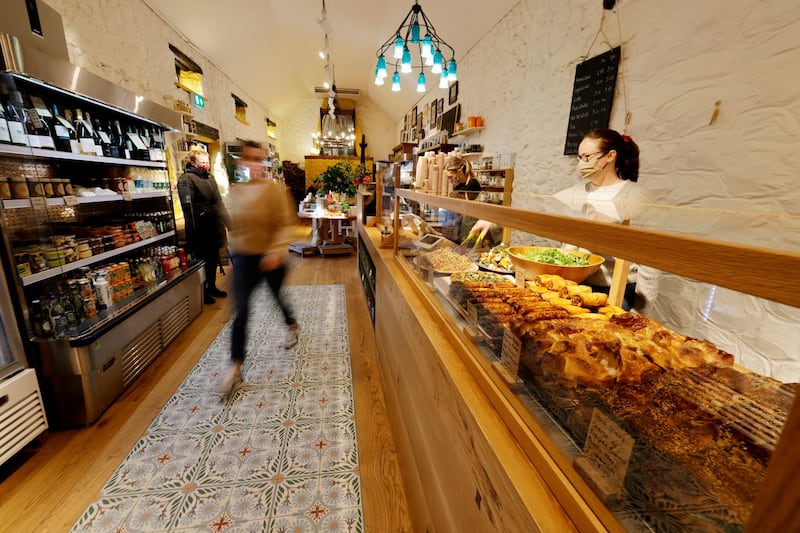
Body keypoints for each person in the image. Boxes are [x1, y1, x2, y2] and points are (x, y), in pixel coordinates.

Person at [219, 140, 298, 394]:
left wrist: (276, 250)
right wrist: (232, 253)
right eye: (250, 159)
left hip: (270, 257)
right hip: (244, 259)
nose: (255, 165)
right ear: (241, 162)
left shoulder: (275, 190)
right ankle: (235, 368)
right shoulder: (236, 191)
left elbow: (286, 224)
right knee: (240, 310)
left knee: (277, 297)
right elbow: (236, 228)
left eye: (260, 160)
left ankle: (291, 324)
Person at [177, 145, 230, 305]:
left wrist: (229, 222)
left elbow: (219, 201)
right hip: (201, 227)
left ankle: (212, 286)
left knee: (213, 258)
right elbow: (188, 208)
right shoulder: (186, 179)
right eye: (202, 161)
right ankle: (203, 291)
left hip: (214, 225)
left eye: (207, 161)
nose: (205, 164)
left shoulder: (209, 177)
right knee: (202, 260)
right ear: (193, 162)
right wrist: (193, 231)